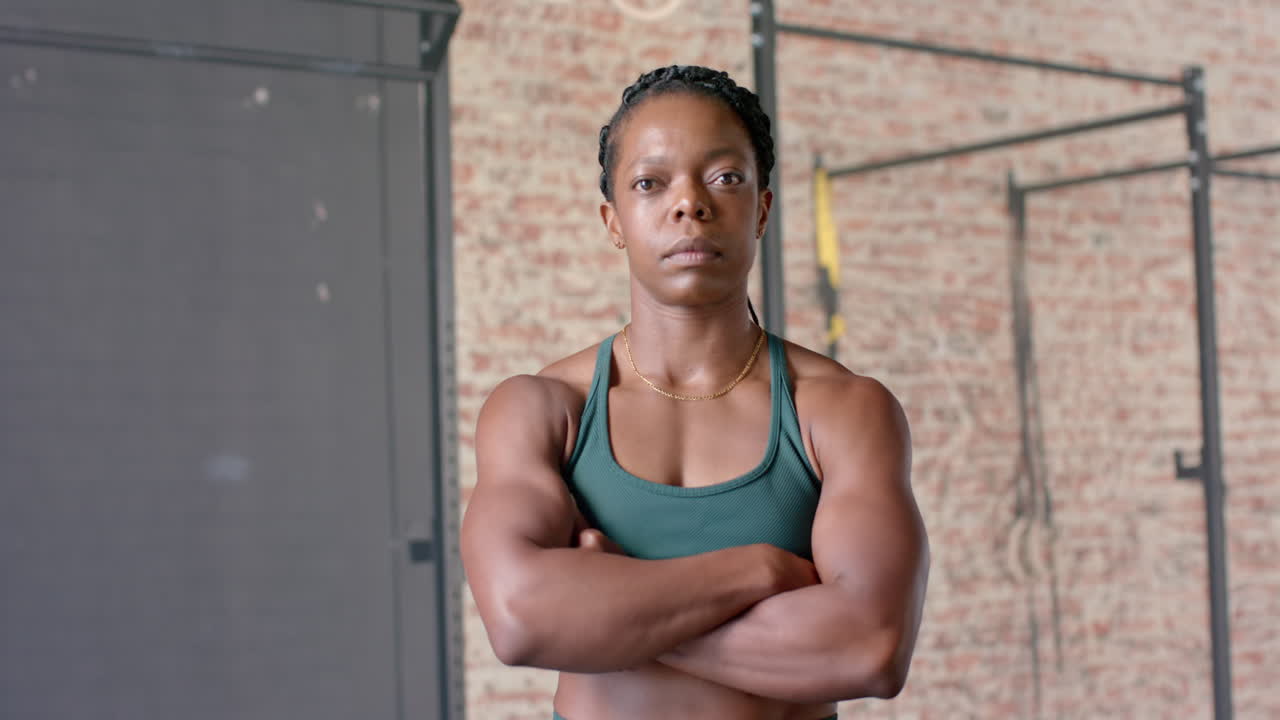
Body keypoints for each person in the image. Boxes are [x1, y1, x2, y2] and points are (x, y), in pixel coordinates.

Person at [461, 65, 930, 720]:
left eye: (725, 178)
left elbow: (869, 650)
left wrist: (614, 611)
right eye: (650, 183)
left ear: (762, 208)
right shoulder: (541, 410)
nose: (690, 204)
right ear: (614, 220)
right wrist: (762, 573)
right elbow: (520, 620)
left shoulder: (844, 410)